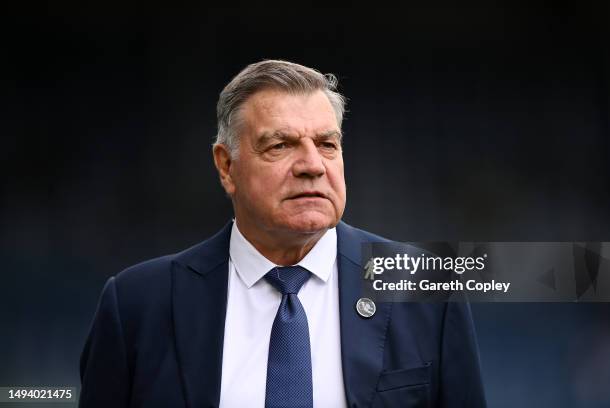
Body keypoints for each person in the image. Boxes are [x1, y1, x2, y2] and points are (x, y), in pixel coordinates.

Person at [79, 60, 486, 408]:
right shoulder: (136, 305)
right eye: (280, 145)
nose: (312, 165)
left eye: (327, 144)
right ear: (226, 166)